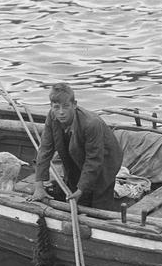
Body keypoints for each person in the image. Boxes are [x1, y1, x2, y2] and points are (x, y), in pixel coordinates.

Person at [30, 82, 123, 211]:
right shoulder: (52, 117)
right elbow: (45, 149)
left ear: (74, 105)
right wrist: (39, 186)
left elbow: (94, 160)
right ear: (51, 106)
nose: (61, 112)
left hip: (106, 159)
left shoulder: (91, 123)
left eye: (66, 106)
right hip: (75, 150)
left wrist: (81, 190)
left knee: (99, 195)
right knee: (73, 184)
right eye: (56, 107)